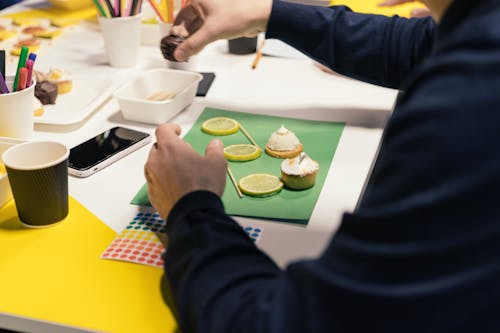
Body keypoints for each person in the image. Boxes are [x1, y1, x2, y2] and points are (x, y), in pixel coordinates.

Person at [145, 0, 500, 331]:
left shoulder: (469, 98)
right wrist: (268, 13)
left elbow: (280, 321)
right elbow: (417, 46)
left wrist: (190, 207)